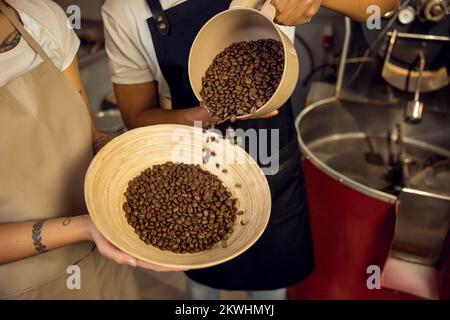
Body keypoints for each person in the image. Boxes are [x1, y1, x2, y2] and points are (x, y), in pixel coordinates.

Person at [102, 0, 400, 300]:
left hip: (275, 169)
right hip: (191, 171)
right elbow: (137, 117)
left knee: (271, 290)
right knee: (202, 284)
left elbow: (384, 6)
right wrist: (208, 114)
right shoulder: (124, 9)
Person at [0, 0, 180, 300]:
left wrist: (130, 157)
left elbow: (88, 134)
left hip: (106, 245)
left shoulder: (41, 17)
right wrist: (83, 228)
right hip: (27, 282)